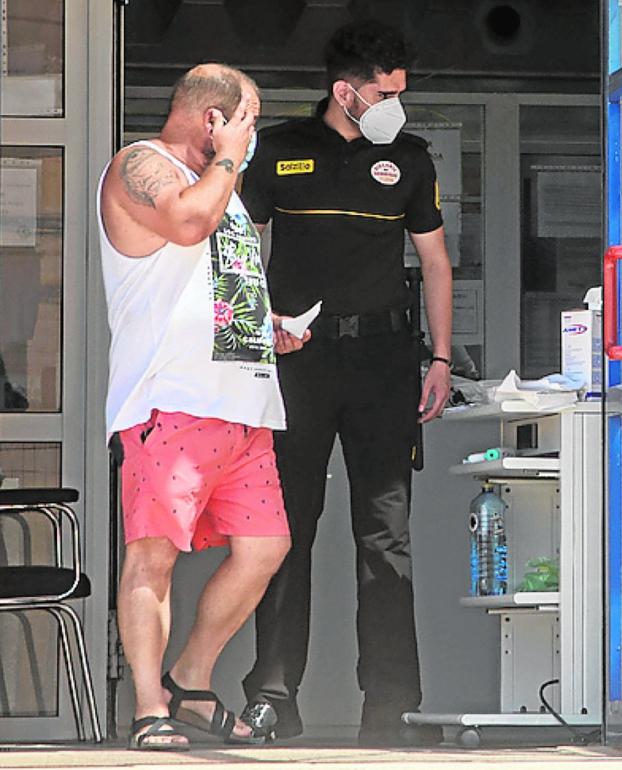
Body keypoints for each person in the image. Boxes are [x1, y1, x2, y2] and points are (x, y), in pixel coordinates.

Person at [238, 19, 454, 746]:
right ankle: (272, 696)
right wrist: (252, 334)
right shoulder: (279, 150)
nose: (398, 103)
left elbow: (434, 263)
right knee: (283, 534)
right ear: (345, 91)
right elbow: (238, 250)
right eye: (386, 92)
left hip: (383, 363)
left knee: (384, 536)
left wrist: (442, 358)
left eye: (401, 90)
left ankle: (391, 705)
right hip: (295, 364)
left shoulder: (411, 160)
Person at [98, 63, 308, 750]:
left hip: (242, 406)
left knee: (266, 547)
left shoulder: (227, 189)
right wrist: (226, 160)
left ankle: (191, 675)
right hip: (172, 404)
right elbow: (186, 227)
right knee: (152, 555)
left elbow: (213, 275)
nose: (253, 135)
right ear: (214, 118)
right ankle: (150, 706)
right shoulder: (142, 165)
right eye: (248, 118)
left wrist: (265, 322)